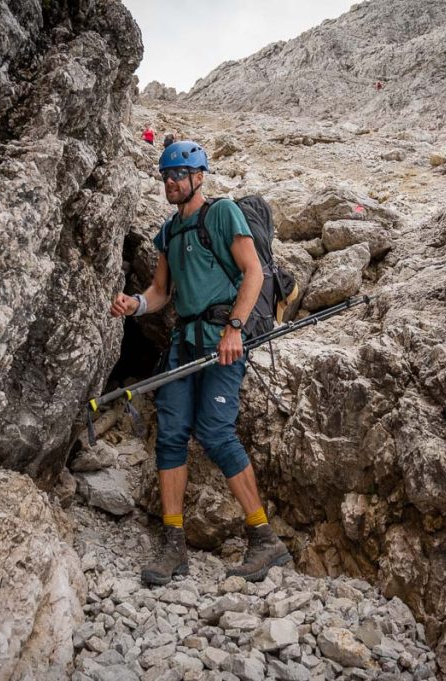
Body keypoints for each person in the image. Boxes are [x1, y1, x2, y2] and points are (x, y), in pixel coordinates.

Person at [109, 141, 291, 586]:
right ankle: (174, 545)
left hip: (222, 340)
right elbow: (160, 292)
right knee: (171, 434)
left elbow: (255, 273)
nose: (170, 182)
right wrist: (134, 305)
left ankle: (264, 538)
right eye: (165, 176)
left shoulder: (223, 213)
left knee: (214, 431)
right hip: (184, 343)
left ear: (198, 177)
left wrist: (234, 329)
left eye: (178, 174)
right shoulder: (169, 232)